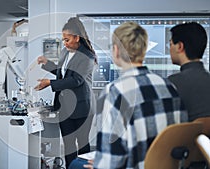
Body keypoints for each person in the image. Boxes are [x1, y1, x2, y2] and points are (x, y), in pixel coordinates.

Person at [69, 21, 188, 169]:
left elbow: (110, 162)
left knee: (75, 164)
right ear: (143, 50)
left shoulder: (114, 92)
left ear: (116, 50)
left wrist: (100, 163)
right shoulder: (170, 87)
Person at [35, 17, 97, 168]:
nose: (64, 43)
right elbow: (62, 73)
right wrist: (47, 64)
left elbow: (76, 80)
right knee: (68, 144)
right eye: (63, 39)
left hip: (82, 107)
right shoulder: (65, 52)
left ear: (77, 37)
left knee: (82, 144)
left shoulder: (87, 56)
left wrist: (49, 83)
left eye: (67, 39)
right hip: (65, 106)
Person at [168, 22, 210, 122]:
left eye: (170, 44)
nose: (169, 49)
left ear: (179, 46)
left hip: (183, 137)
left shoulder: (171, 84)